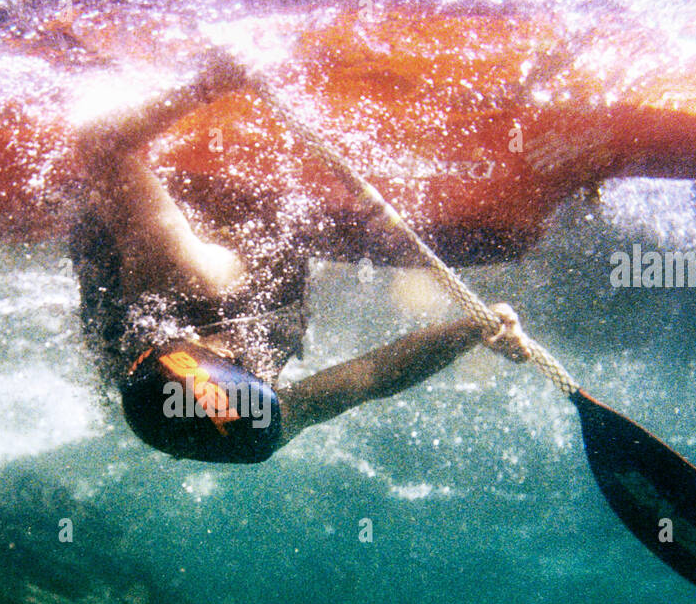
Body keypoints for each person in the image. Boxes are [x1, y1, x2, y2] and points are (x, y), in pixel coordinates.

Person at [71, 51, 532, 464]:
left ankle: (115, 208)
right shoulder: (262, 420)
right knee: (273, 275)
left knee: (216, 266)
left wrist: (206, 84)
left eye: (224, 351)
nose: (236, 349)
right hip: (194, 375)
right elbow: (371, 376)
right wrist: (474, 328)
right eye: (242, 366)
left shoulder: (183, 270)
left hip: (139, 257)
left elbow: (99, 147)